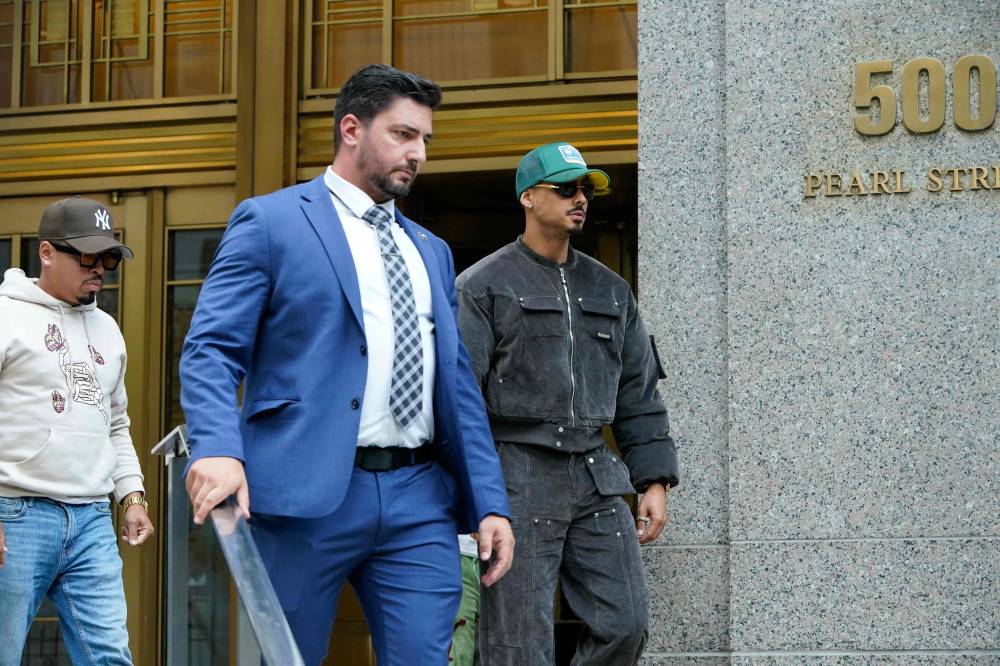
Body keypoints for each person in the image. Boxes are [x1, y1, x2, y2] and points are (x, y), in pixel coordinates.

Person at [179, 64, 514, 666]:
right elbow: (211, 349)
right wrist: (218, 449)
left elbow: (457, 384)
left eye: (424, 140)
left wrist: (489, 501)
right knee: (289, 658)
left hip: (419, 499)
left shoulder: (431, 250)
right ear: (352, 129)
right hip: (301, 494)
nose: (418, 154)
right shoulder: (272, 222)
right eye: (403, 134)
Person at [456, 142, 680, 665]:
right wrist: (474, 493)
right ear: (528, 197)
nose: (579, 198)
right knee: (517, 645)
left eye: (585, 190)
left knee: (626, 624)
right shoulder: (482, 286)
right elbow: (460, 399)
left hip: (595, 475)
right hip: (517, 473)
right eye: (565, 189)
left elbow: (638, 392)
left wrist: (653, 479)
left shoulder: (611, 289)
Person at [0, 196, 154, 666]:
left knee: (110, 657)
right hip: (16, 514)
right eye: (88, 256)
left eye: (109, 258)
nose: (100, 269)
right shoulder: (6, 316)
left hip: (91, 519)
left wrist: (132, 496)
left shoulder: (107, 328)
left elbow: (116, 423)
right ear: (47, 253)